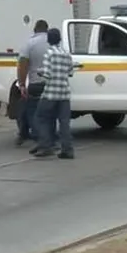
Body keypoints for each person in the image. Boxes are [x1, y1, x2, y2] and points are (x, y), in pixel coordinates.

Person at [33, 28, 74, 159]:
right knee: (64, 122)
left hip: (50, 93)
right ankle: (67, 150)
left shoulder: (49, 53)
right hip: (64, 93)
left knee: (41, 118)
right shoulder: (66, 53)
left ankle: (46, 146)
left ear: (48, 40)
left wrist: (40, 71)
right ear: (60, 39)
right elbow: (70, 72)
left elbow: (47, 74)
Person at [15, 20, 50, 146]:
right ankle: (50, 137)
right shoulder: (54, 43)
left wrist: (22, 84)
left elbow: (23, 65)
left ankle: (39, 138)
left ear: (35, 30)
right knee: (50, 113)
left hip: (35, 83)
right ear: (47, 29)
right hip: (52, 84)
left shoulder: (29, 43)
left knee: (33, 112)